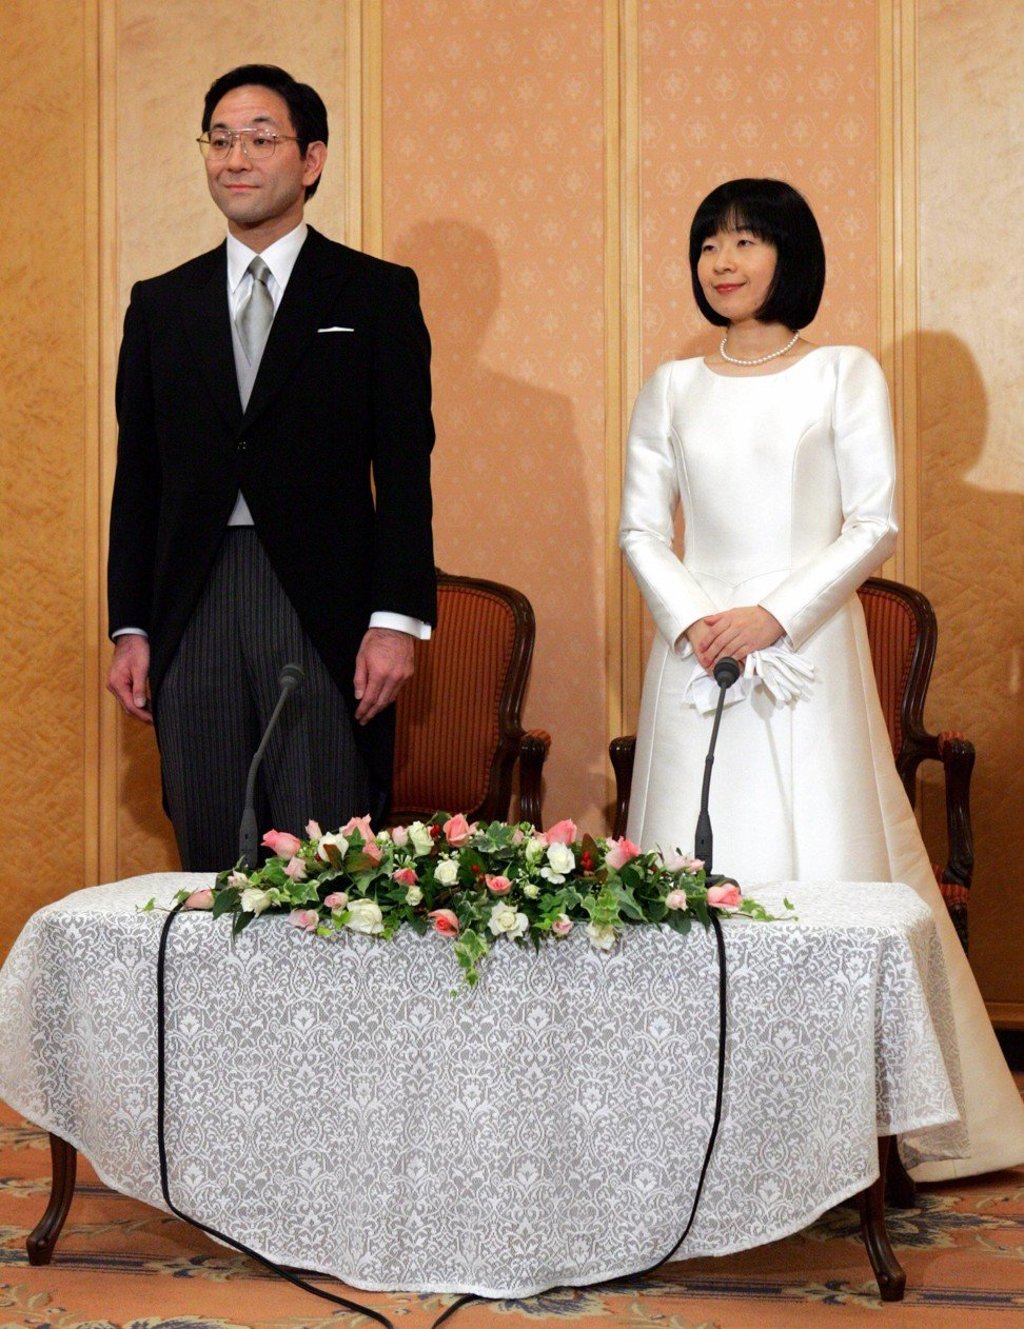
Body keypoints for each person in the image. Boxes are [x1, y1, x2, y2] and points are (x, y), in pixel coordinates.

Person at [619, 178, 1024, 1180]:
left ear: (787, 255)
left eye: (747, 240)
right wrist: (697, 621)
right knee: (692, 877)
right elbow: (638, 528)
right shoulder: (670, 387)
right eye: (709, 240)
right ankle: (692, 1140)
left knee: (822, 873)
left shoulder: (842, 373)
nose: (723, 260)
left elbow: (873, 521)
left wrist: (774, 616)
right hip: (695, 652)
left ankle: (840, 1137)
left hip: (803, 650)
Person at [106, 64, 435, 870]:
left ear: (311, 160)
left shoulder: (374, 294)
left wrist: (395, 620)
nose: (235, 158)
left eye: (259, 138)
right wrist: (131, 625)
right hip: (195, 601)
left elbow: (404, 468)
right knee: (214, 854)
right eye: (219, 140)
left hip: (320, 604)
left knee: (328, 863)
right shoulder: (161, 303)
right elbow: (138, 477)